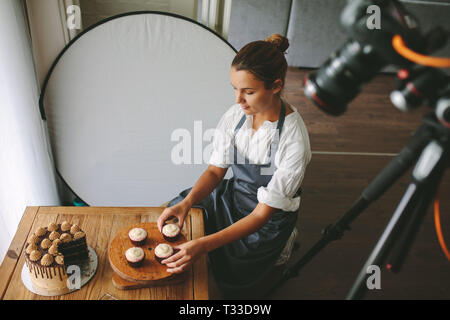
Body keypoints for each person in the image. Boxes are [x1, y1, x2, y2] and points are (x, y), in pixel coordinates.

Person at [157, 34, 311, 298]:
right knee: (178, 208)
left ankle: (282, 244)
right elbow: (216, 171)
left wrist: (203, 246)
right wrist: (188, 202)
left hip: (268, 217)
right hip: (235, 196)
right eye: (235, 89)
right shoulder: (237, 115)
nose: (238, 100)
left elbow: (261, 215)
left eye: (248, 92)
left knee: (235, 270)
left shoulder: (294, 140)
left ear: (276, 86)